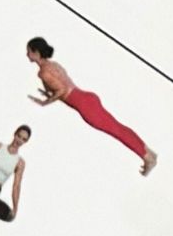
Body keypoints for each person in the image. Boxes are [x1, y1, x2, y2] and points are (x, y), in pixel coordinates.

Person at [26, 38, 156, 173]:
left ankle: (146, 158)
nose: (27, 54)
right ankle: (148, 152)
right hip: (87, 97)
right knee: (118, 127)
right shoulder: (53, 65)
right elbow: (62, 86)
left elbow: (61, 90)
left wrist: (45, 102)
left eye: (29, 51)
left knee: (115, 131)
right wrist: (51, 95)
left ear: (37, 53)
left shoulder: (43, 72)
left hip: (83, 105)